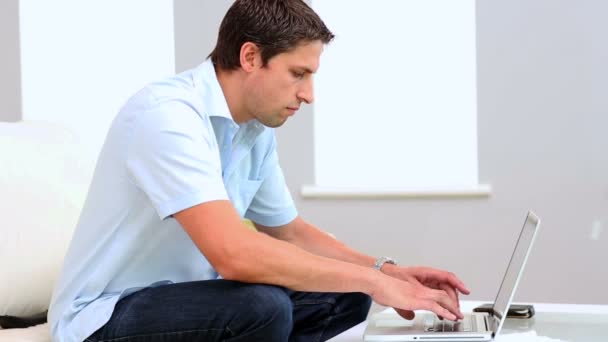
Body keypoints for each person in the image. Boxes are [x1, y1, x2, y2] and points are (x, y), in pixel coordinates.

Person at [49, 1, 470, 341]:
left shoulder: (252, 130)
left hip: (192, 300)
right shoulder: (167, 117)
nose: (308, 95)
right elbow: (234, 256)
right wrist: (372, 280)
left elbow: (290, 231)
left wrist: (383, 271)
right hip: (106, 316)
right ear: (250, 56)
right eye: (297, 74)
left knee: (347, 296)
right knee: (260, 308)